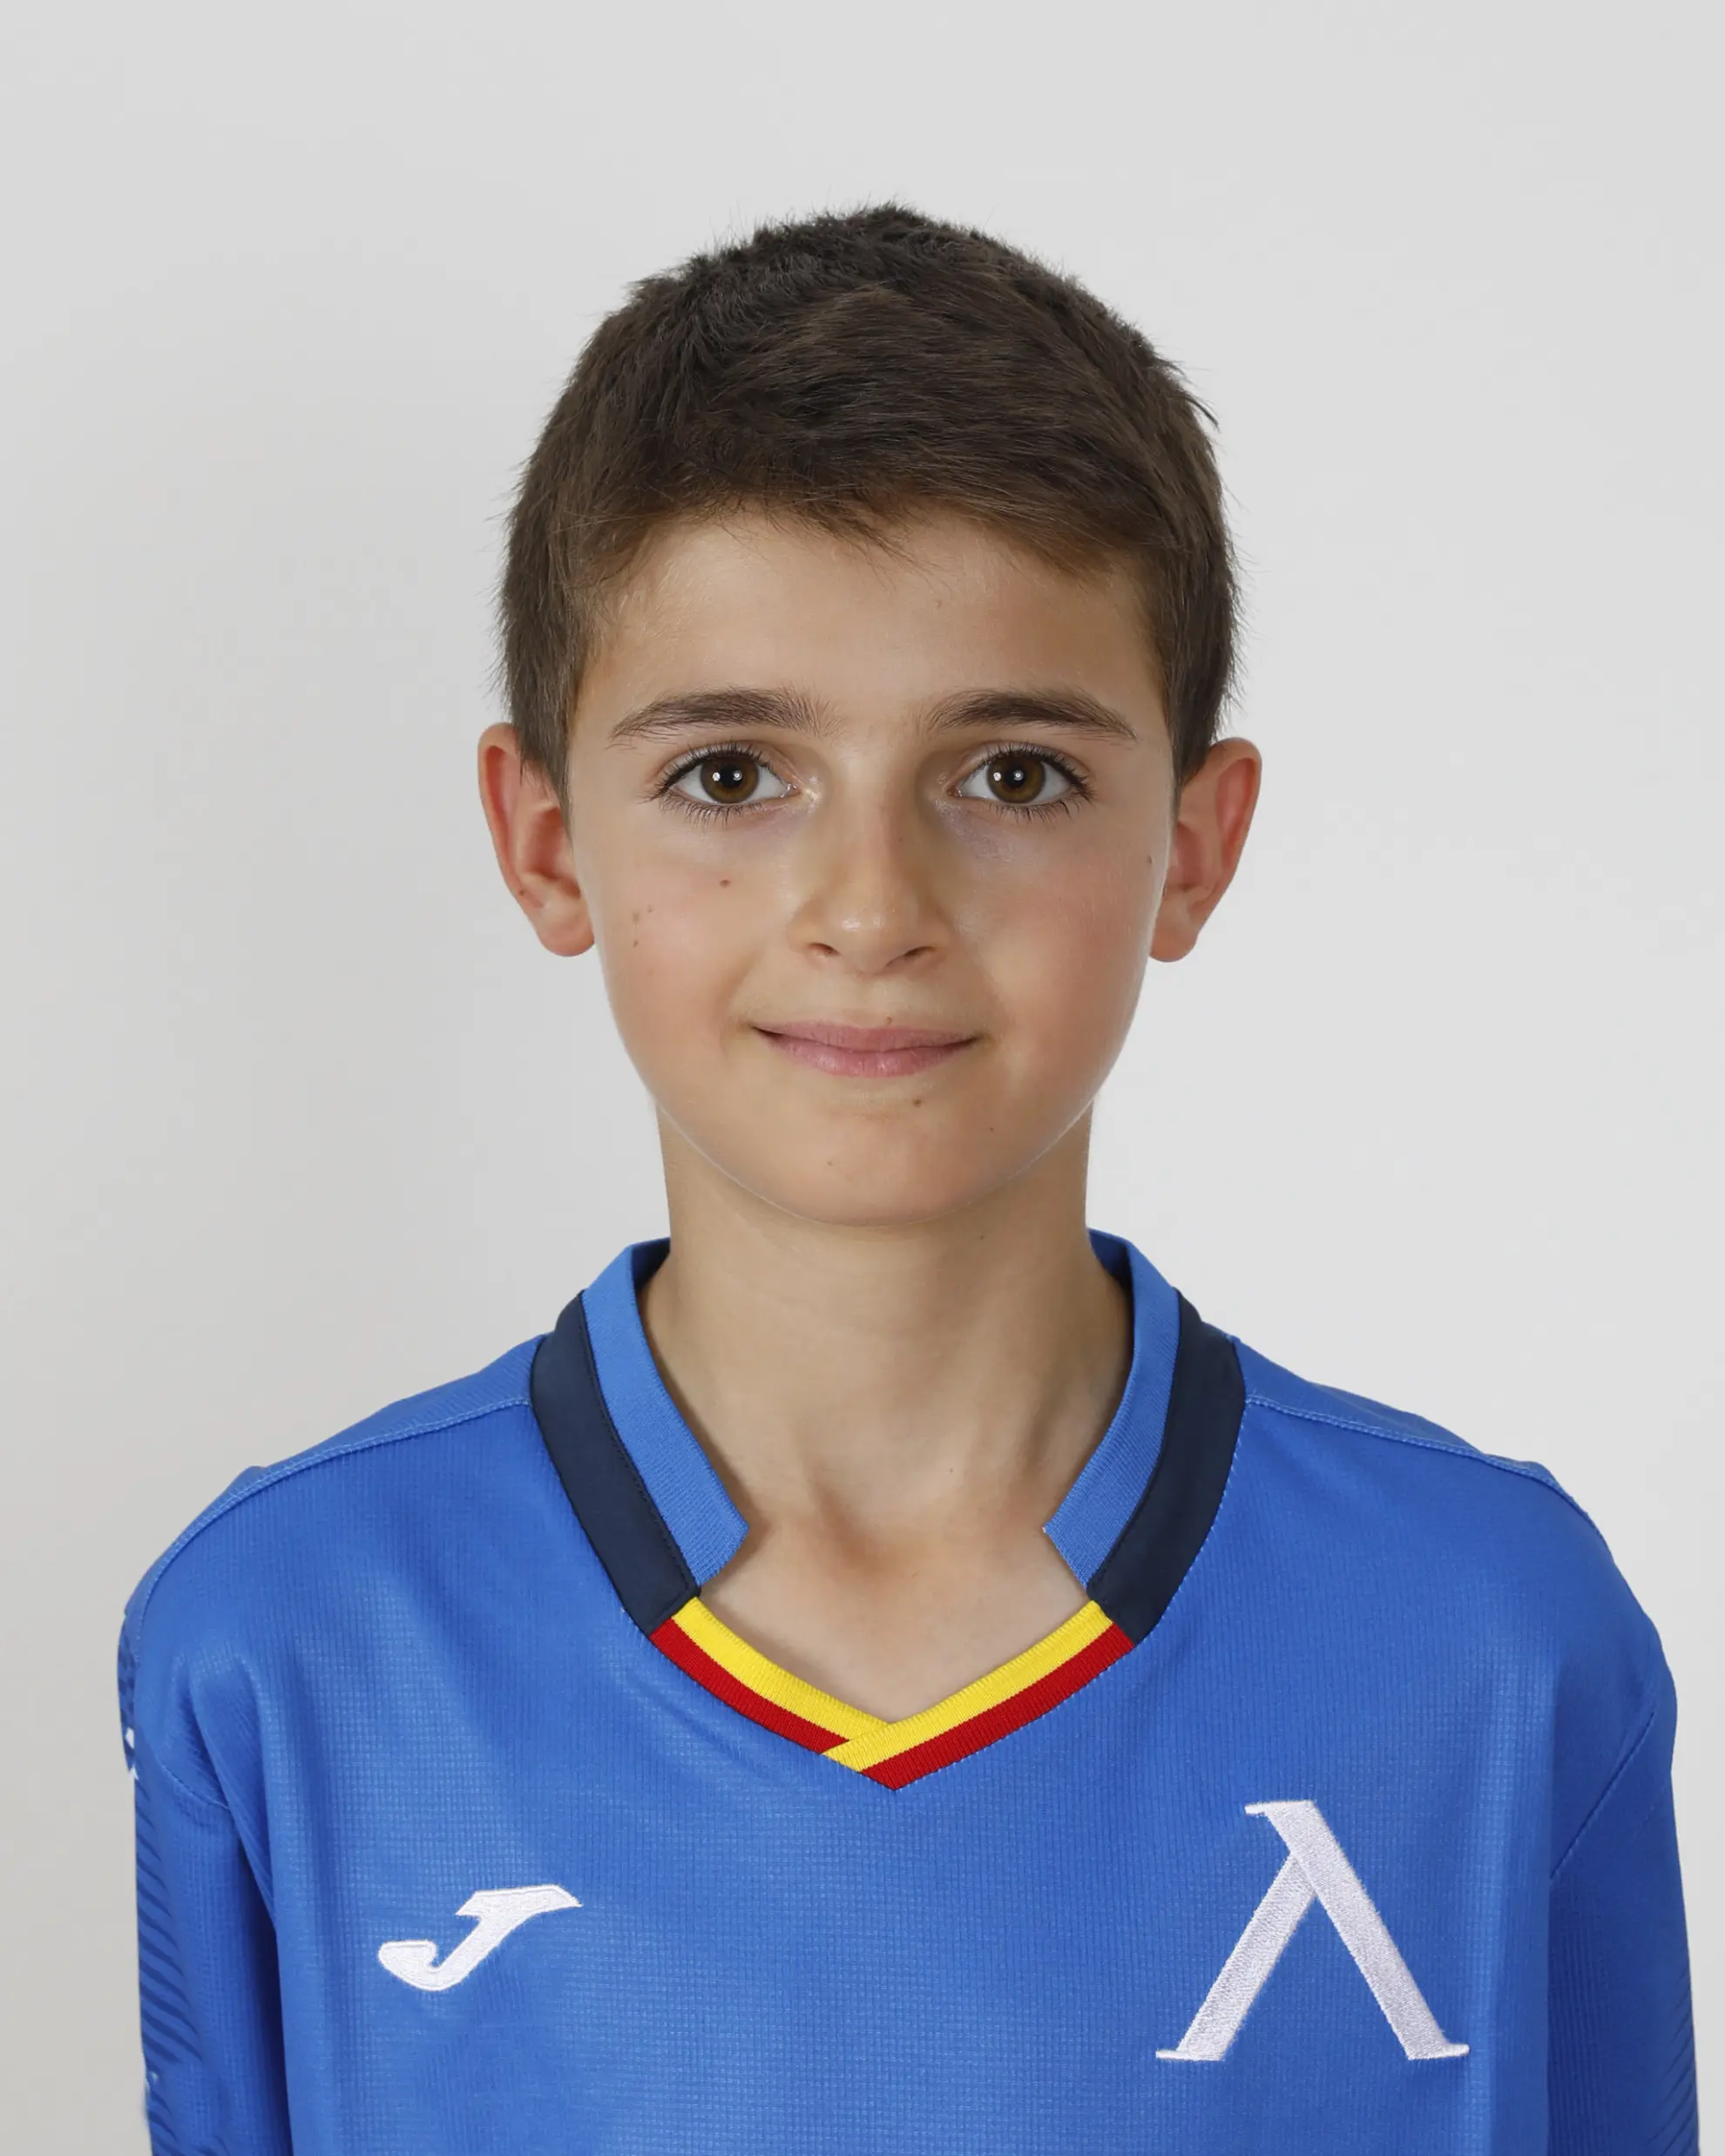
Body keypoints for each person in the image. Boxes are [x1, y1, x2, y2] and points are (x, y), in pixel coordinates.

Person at [118, 207, 1695, 2155]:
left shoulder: (1493, 1635)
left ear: (1195, 845)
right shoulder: (287, 1636)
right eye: (731, 774)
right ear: (545, 840)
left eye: (1014, 773)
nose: (871, 910)